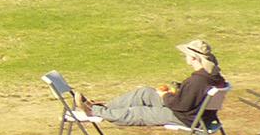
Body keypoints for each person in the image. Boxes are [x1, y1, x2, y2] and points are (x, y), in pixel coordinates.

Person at [79, 40, 227, 127]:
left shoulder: (197, 80)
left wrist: (165, 96)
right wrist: (176, 91)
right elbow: (191, 97)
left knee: (138, 112)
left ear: (194, 58)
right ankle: (102, 107)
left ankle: (94, 112)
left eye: (186, 55)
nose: (185, 57)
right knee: (145, 92)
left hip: (186, 118)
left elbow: (181, 106)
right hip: (198, 114)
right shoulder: (212, 77)